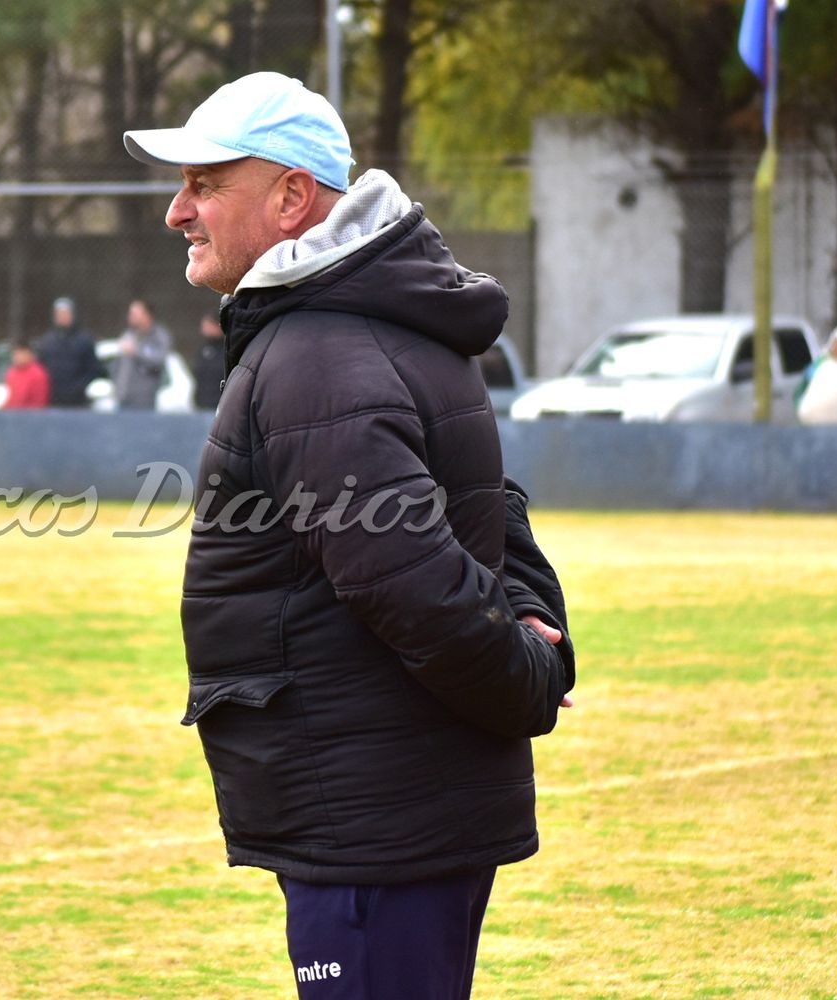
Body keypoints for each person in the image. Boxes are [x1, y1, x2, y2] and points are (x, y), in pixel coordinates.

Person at [124, 71, 574, 999]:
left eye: (206, 184)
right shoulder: (369, 329)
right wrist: (531, 634)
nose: (178, 211)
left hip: (375, 826)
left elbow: (413, 582)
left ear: (293, 198)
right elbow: (488, 506)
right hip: (395, 812)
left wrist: (529, 673)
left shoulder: (319, 352)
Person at [35, 297, 104, 408]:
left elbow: (94, 370)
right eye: (59, 314)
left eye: (65, 313)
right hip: (52, 401)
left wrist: (78, 388)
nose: (62, 317)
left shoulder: (84, 340)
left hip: (77, 402)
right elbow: (39, 369)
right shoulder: (47, 341)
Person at [112, 299, 171, 410]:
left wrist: (136, 351)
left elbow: (159, 361)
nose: (130, 316)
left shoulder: (159, 336)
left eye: (134, 313)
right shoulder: (128, 334)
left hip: (143, 401)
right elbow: (118, 363)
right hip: (122, 398)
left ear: (147, 315)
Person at [191, 311, 226, 410]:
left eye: (208, 325)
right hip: (202, 402)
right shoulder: (204, 350)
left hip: (219, 403)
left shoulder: (227, 350)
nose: (204, 329)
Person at [2, 340, 50, 409]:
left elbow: (39, 402)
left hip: (29, 416)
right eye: (15, 354)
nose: (17, 357)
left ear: (29, 354)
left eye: (21, 353)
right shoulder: (11, 373)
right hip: (11, 414)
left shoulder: (38, 374)